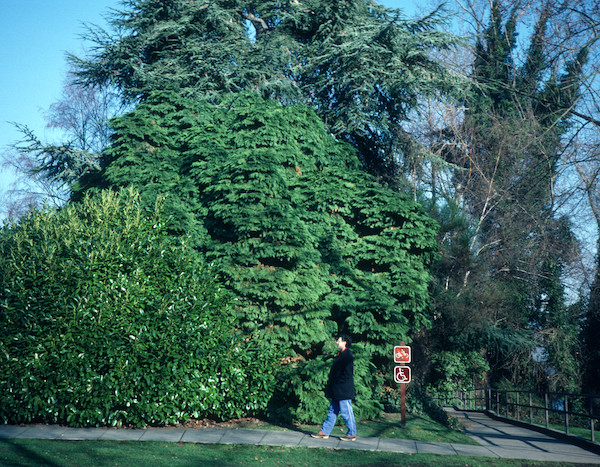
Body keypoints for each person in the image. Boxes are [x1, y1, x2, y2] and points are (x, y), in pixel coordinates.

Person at [311, 333, 357, 441]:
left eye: (339, 340)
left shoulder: (347, 355)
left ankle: (352, 433)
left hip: (343, 390)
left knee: (346, 412)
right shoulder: (341, 355)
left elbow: (347, 374)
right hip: (337, 390)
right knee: (332, 411)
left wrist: (338, 382)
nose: (337, 342)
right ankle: (324, 432)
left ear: (345, 342)